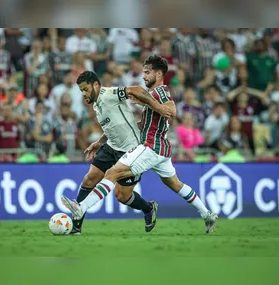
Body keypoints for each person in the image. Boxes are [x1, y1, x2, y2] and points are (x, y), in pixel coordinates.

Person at [62, 54, 218, 234]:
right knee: (175, 184)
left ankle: (80, 208)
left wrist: (155, 107)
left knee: (113, 173)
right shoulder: (151, 94)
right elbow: (143, 124)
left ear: (158, 74)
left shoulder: (159, 92)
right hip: (160, 148)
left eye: (147, 72)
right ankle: (207, 214)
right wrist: (100, 141)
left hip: (150, 147)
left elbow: (171, 111)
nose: (143, 76)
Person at [63, 70, 174, 235]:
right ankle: (76, 225)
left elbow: (134, 89)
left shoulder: (109, 94)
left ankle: (148, 208)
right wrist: (99, 142)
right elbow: (112, 125)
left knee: (122, 196)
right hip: (111, 147)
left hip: (132, 150)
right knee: (89, 179)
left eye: (85, 89)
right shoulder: (96, 104)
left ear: (95, 85)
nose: (84, 94)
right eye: (81, 91)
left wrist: (158, 107)